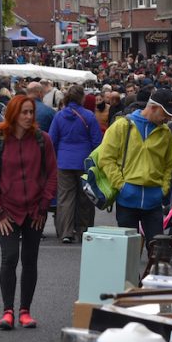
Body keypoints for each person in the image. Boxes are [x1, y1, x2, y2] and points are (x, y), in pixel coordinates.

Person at [0, 95, 58, 330]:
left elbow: (52, 175)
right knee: (9, 259)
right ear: (13, 114)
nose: (28, 117)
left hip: (35, 211)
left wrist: (44, 206)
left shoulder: (42, 139)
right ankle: (8, 311)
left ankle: (25, 311)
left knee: (29, 260)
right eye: (24, 112)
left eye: (31, 113)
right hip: (7, 211)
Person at [97, 89, 172, 245]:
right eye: (165, 113)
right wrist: (121, 186)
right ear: (153, 107)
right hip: (127, 200)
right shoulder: (122, 126)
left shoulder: (166, 133)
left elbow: (169, 164)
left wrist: (163, 189)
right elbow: (106, 158)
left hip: (153, 201)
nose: (168, 118)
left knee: (158, 250)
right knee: (127, 253)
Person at [48, 85, 103, 244]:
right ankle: (83, 230)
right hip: (84, 162)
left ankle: (65, 232)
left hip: (64, 162)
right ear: (82, 98)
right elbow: (97, 142)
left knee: (65, 198)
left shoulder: (59, 116)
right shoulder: (89, 116)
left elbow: (52, 140)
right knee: (85, 198)